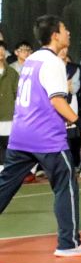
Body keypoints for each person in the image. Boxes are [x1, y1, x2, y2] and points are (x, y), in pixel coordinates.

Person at [0, 15, 81, 257]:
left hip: (21, 134)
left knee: (4, 187)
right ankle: (69, 243)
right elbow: (57, 100)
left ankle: (69, 242)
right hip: (46, 138)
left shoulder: (31, 60)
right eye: (65, 29)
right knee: (66, 186)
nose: (68, 33)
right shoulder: (53, 62)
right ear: (55, 35)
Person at [58, 47, 81, 169]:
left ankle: (74, 163)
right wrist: (65, 85)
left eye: (65, 49)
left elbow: (74, 89)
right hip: (54, 105)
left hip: (71, 103)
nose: (63, 51)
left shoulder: (74, 68)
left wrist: (67, 87)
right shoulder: (50, 67)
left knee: (72, 136)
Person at [0, 41, 19, 172]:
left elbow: (18, 94)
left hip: (8, 115)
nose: (0, 52)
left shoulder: (12, 73)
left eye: (2, 49)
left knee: (8, 143)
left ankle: (7, 169)